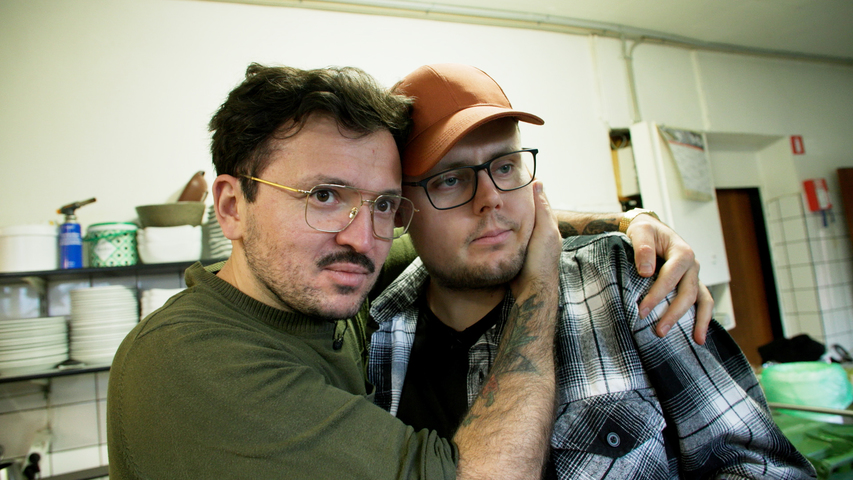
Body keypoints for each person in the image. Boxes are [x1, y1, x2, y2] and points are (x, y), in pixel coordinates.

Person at [106, 62, 708, 479]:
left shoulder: (338, 275)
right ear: (232, 207)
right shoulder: (192, 362)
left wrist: (630, 221)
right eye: (324, 196)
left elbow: (475, 228)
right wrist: (538, 286)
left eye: (383, 203)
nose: (361, 236)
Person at [367, 63, 816, 479]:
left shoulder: (628, 283)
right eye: (450, 179)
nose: (492, 198)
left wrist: (631, 220)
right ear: (399, 207)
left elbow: (763, 468)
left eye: (505, 166)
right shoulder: (372, 329)